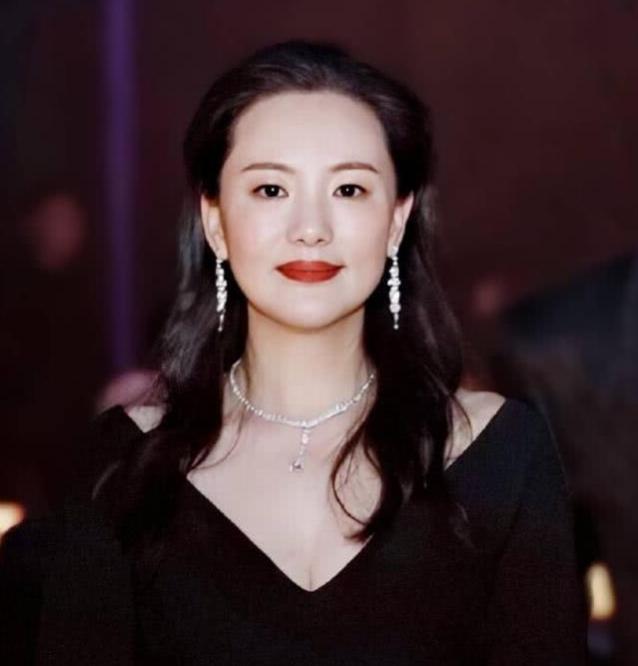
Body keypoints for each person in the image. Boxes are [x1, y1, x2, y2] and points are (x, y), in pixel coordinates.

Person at [0, 40, 587, 665]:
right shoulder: (128, 463)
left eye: (349, 190)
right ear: (215, 221)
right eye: (271, 189)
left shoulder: (499, 452)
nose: (311, 228)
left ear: (396, 219)